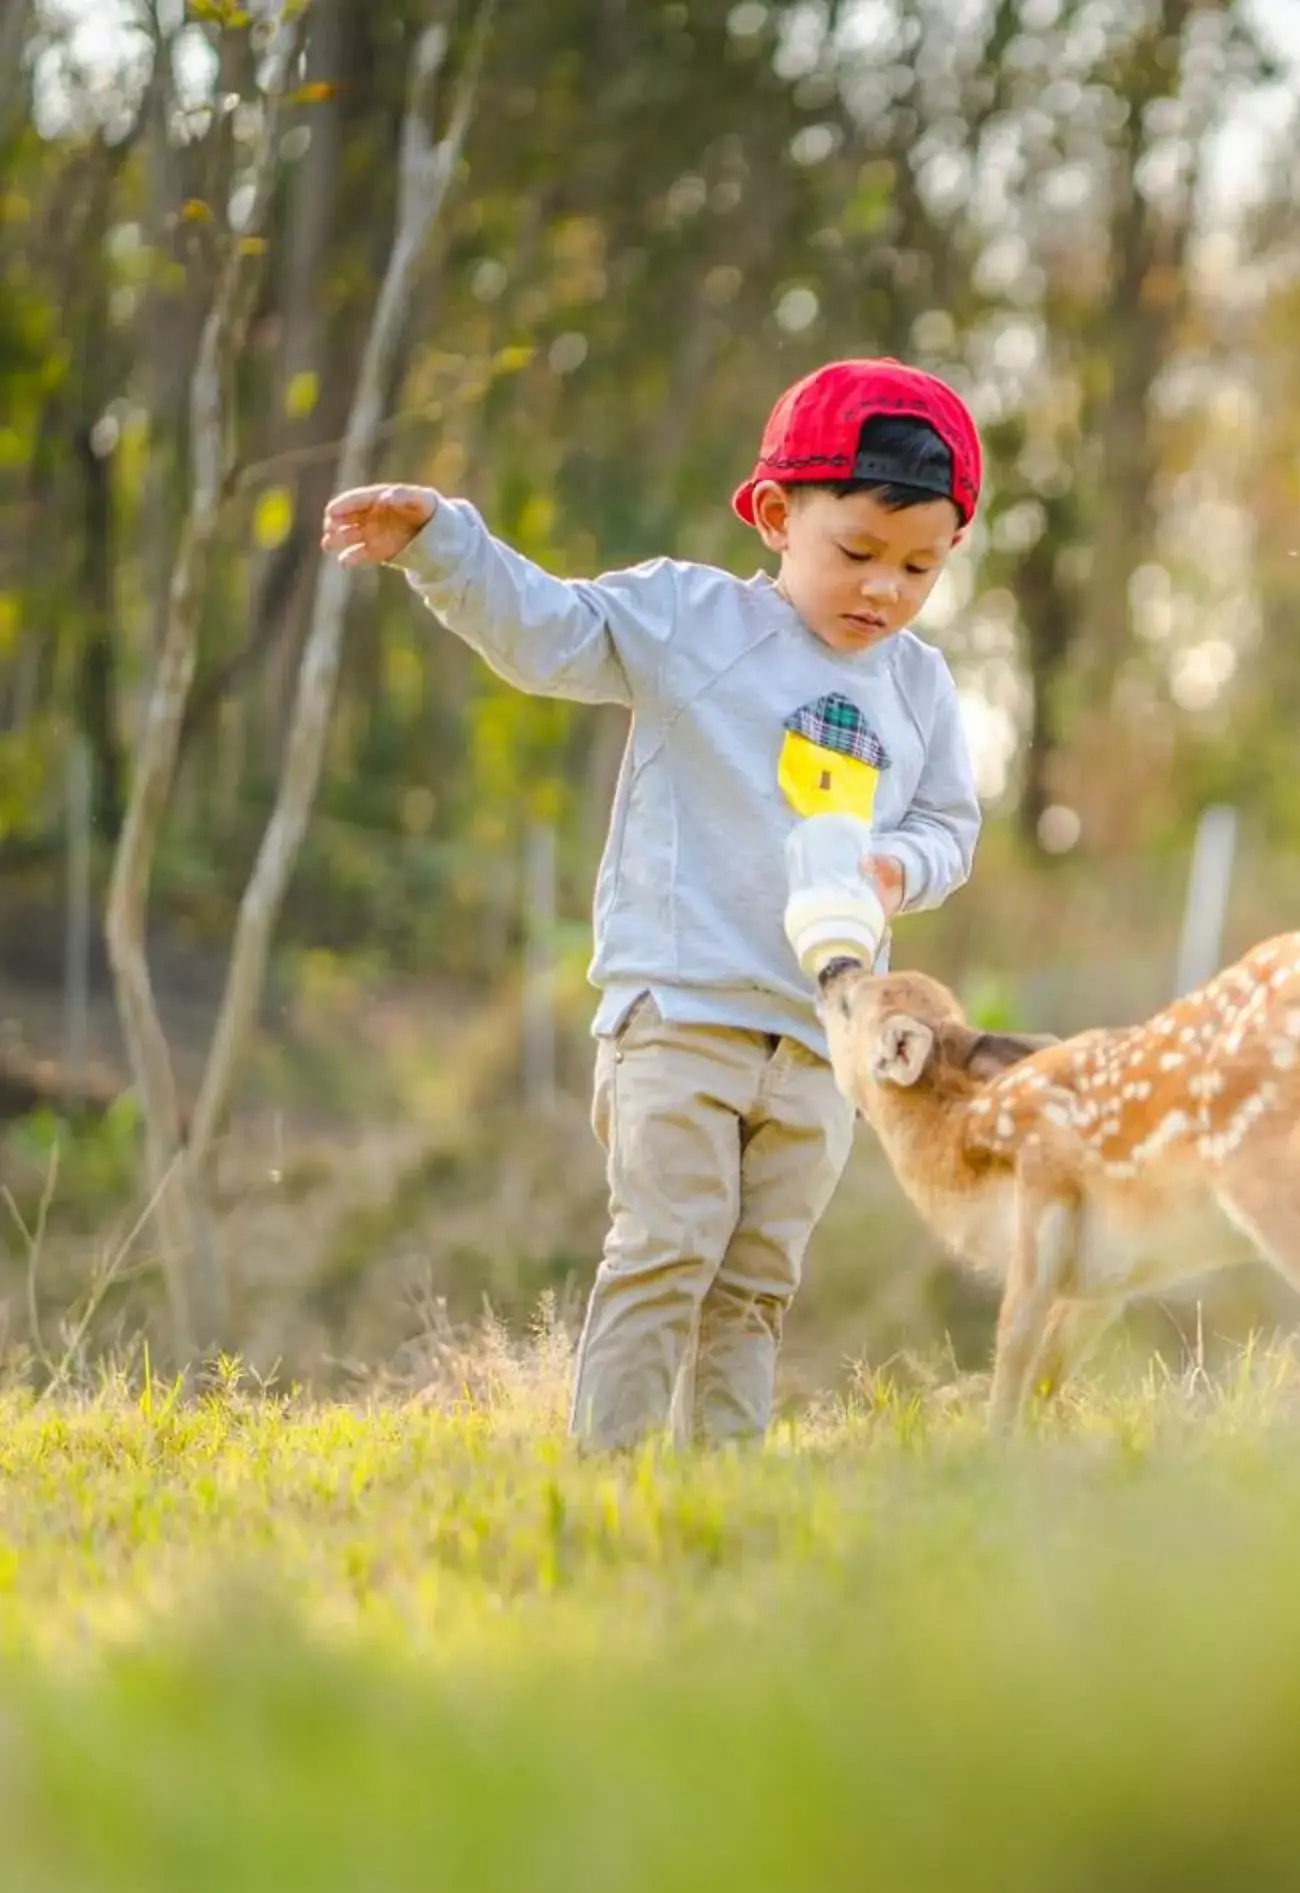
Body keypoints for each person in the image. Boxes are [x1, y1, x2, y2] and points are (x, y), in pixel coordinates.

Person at [321, 357, 988, 1453]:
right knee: (667, 1247)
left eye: (920, 566)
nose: (885, 590)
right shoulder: (693, 619)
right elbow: (546, 633)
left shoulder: (920, 686)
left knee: (759, 1277)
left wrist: (895, 870)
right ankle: (607, 1482)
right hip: (679, 1011)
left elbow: (949, 826)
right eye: (858, 553)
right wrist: (444, 542)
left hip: (821, 1042)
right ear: (778, 515)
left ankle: (717, 1487)